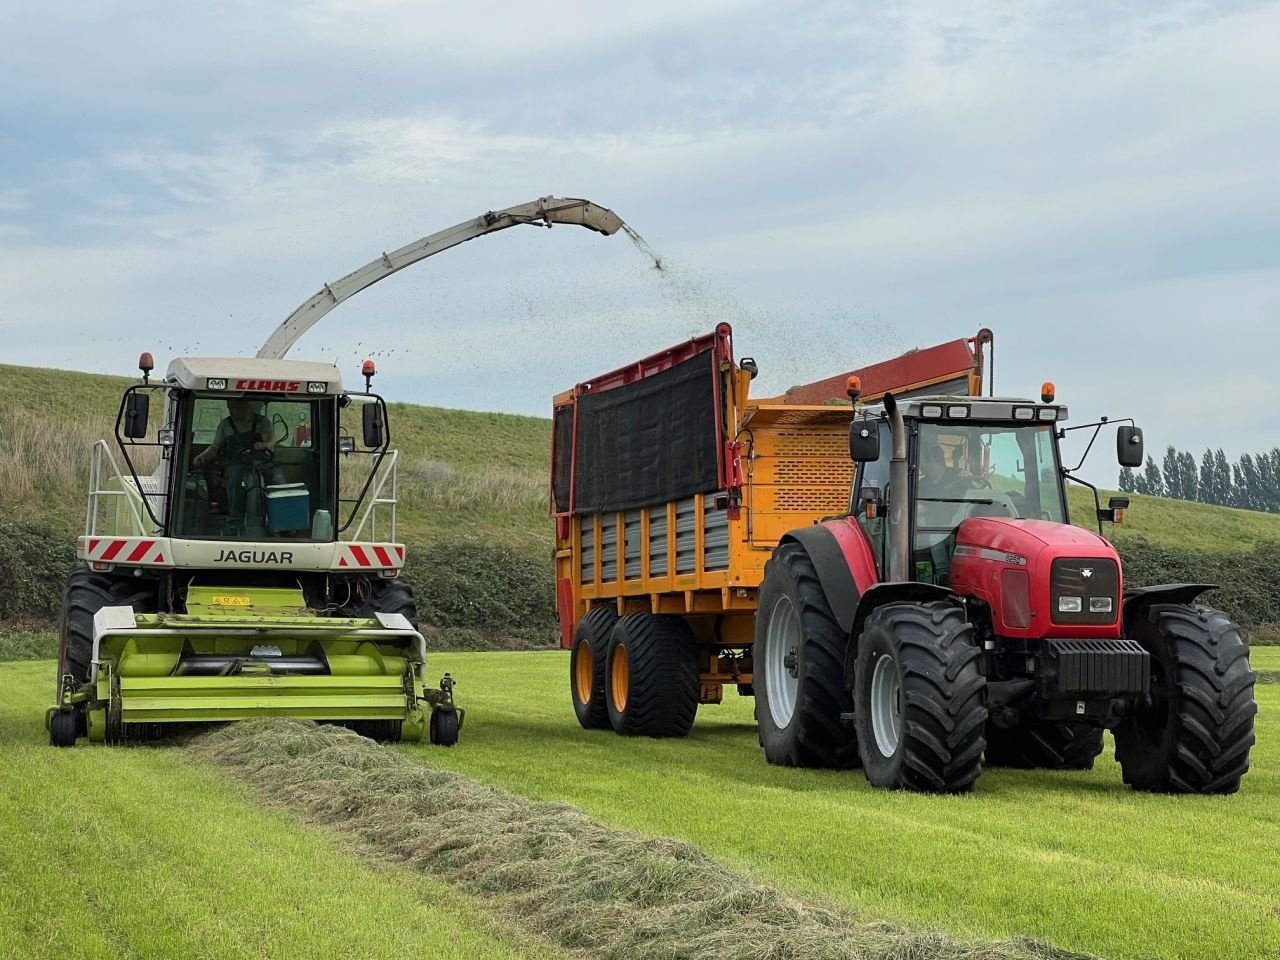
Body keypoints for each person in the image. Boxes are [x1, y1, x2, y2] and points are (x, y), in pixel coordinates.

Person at [193, 398, 275, 524]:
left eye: (236, 408)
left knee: (272, 479)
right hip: (235, 463)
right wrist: (201, 457)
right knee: (234, 478)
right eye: (230, 408)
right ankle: (234, 517)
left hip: (261, 463)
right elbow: (215, 447)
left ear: (247, 406)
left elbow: (270, 441)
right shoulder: (225, 425)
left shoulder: (262, 422)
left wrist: (264, 445)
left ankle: (266, 518)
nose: (232, 412)